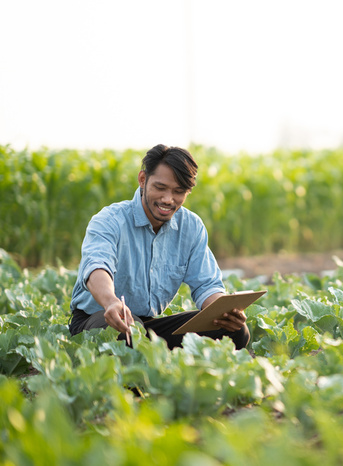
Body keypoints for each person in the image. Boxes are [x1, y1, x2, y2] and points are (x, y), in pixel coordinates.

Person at [68, 144, 249, 350]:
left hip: (148, 325)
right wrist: (111, 301)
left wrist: (223, 313)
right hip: (99, 318)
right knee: (130, 333)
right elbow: (97, 266)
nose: (168, 199)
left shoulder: (191, 227)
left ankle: (167, 367)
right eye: (160, 188)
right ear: (143, 180)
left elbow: (207, 286)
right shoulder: (110, 220)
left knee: (234, 332)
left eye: (178, 192)